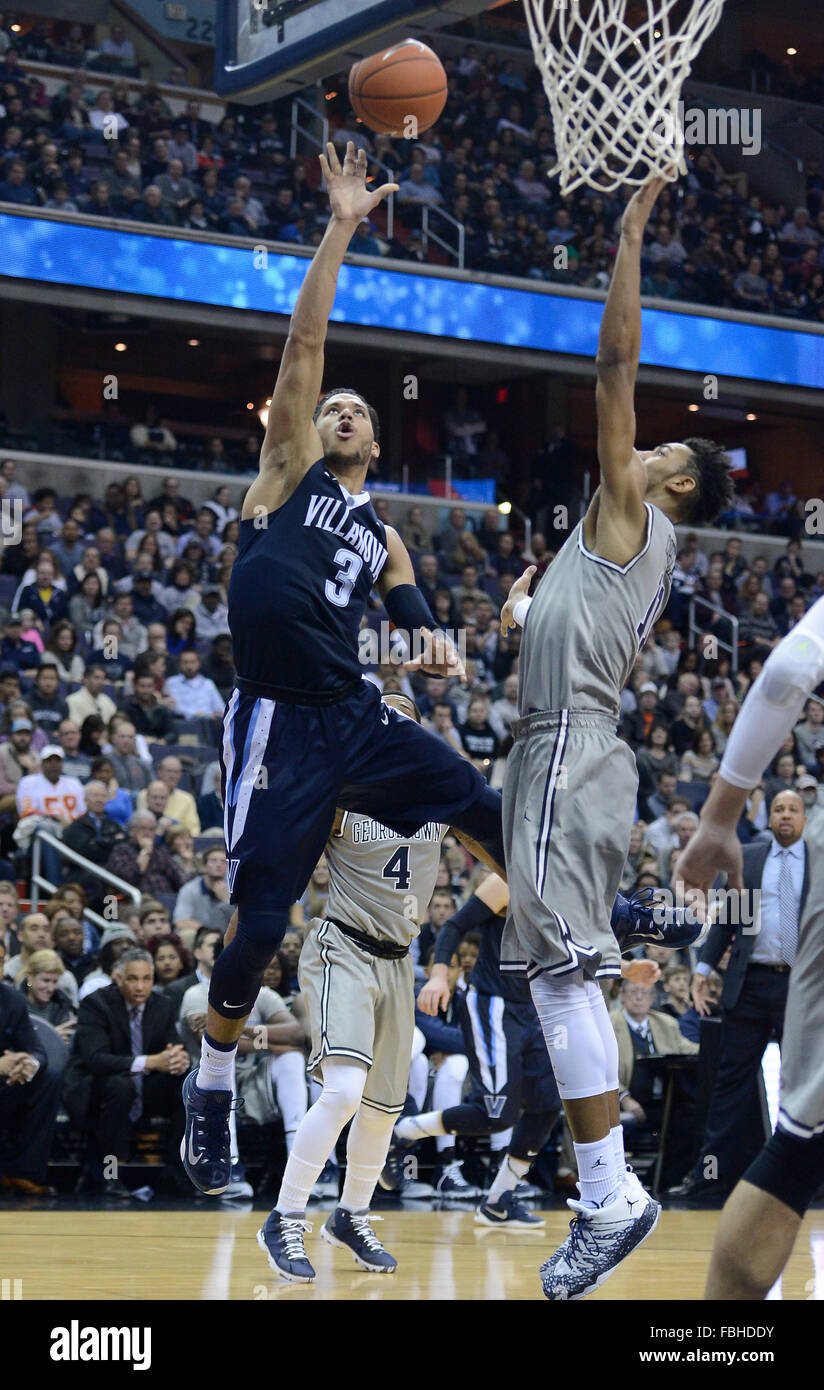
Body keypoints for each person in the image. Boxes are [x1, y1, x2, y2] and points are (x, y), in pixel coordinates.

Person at [181, 142, 505, 1202]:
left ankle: (558, 951)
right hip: (277, 718)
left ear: (379, 438)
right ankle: (215, 1075)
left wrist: (483, 630)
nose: (340, 412)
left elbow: (425, 641)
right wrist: (339, 225)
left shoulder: (388, 538)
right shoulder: (284, 472)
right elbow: (306, 338)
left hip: (357, 716)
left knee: (488, 806)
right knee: (263, 922)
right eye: (330, 409)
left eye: (356, 410)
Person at [497, 171, 733, 1301]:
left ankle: (608, 1195)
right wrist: (526, 611)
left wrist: (628, 236)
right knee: (568, 972)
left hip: (563, 751)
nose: (636, 449)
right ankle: (606, 1189)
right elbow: (578, 626)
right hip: (579, 748)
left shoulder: (636, 508)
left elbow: (611, 370)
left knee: (555, 979)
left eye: (657, 447)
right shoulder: (623, 544)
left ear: (673, 478)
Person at [258, 692, 461, 1280]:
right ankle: (286, 1217)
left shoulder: (440, 797)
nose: (396, 723)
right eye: (386, 714)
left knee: (381, 1110)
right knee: (345, 1092)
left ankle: (351, 1215)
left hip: (401, 961)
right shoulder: (342, 793)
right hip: (342, 947)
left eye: (407, 717)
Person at [675, 595, 824, 1298]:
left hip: (796, 982)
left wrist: (717, 814)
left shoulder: (804, 857)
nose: (788, 815)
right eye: (783, 808)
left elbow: (789, 669)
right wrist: (706, 962)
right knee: (746, 1104)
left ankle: (716, 1344)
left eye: (796, 807)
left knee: (799, 1142)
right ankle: (708, 1174)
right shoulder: (759, 859)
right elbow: (731, 918)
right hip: (756, 986)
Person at [63, 948, 189, 1197]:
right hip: (98, 1086)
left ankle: (176, 1174)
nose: (140, 986)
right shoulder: (96, 1004)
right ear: (118, 978)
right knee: (120, 1087)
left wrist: (179, 1060)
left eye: (146, 979)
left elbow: (172, 1048)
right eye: (132, 979)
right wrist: (151, 1062)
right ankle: (110, 1175)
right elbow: (96, 1060)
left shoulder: (163, 1005)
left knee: (186, 1086)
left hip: (145, 1086)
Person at [0, 939, 62, 1195]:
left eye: (0, 961)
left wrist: (28, 1064)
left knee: (48, 1077)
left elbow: (36, 1048)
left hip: (6, 1081)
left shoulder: (11, 999)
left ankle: (23, 1172)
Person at [173, 844, 234, 937]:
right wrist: (208, 933)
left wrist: (226, 900)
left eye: (223, 861)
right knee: (186, 934)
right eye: (214, 861)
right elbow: (181, 921)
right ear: (204, 866)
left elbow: (240, 922)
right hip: (200, 936)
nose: (219, 865)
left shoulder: (233, 888)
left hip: (226, 935)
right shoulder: (189, 889)